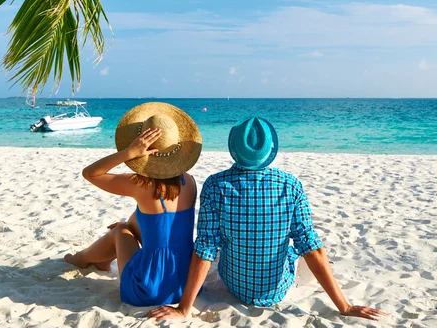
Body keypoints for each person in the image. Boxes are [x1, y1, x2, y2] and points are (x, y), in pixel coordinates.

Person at [148, 116, 385, 321]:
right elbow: (311, 248)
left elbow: (205, 249)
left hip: (235, 287)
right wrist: (344, 307)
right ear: (270, 150)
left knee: (221, 245)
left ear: (234, 149)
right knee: (301, 247)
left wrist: (184, 309)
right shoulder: (291, 186)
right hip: (278, 291)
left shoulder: (215, 185)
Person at [64, 102, 203, 306]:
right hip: (184, 285)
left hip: (147, 289)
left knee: (120, 231)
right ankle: (99, 258)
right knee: (131, 224)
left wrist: (128, 153)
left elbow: (90, 173)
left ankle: (81, 259)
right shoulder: (189, 182)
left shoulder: (140, 184)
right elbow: (155, 220)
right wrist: (131, 224)